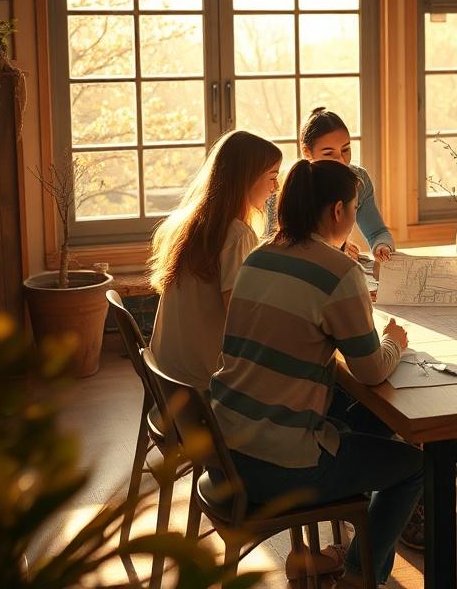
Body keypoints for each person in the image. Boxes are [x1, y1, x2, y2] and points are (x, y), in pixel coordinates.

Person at [210, 160, 422, 588]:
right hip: (279, 466)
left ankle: (341, 553)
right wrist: (395, 340)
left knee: (368, 422)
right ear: (339, 212)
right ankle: (360, 576)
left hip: (225, 450)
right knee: (418, 465)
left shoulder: (257, 258)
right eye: (353, 206)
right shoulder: (338, 271)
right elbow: (371, 369)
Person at [148, 130, 281, 391]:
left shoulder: (189, 225)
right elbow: (240, 317)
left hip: (168, 375)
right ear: (247, 179)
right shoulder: (237, 235)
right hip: (202, 383)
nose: (276, 188)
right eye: (272, 177)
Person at [300, 106, 393, 262]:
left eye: (346, 150)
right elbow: (278, 246)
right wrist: (336, 246)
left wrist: (382, 246)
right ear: (307, 152)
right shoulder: (291, 183)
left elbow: (377, 232)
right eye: (329, 153)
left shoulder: (359, 180)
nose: (341, 160)